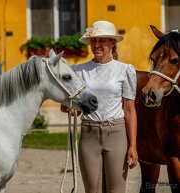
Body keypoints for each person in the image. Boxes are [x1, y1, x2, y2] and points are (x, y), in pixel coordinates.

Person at [61, 20, 138, 193]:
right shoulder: (78, 71)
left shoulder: (125, 70)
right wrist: (69, 107)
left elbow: (129, 110)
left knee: (116, 190)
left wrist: (133, 145)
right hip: (89, 137)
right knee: (92, 190)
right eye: (93, 41)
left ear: (112, 42)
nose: (97, 45)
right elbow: (73, 106)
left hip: (117, 135)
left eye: (102, 40)